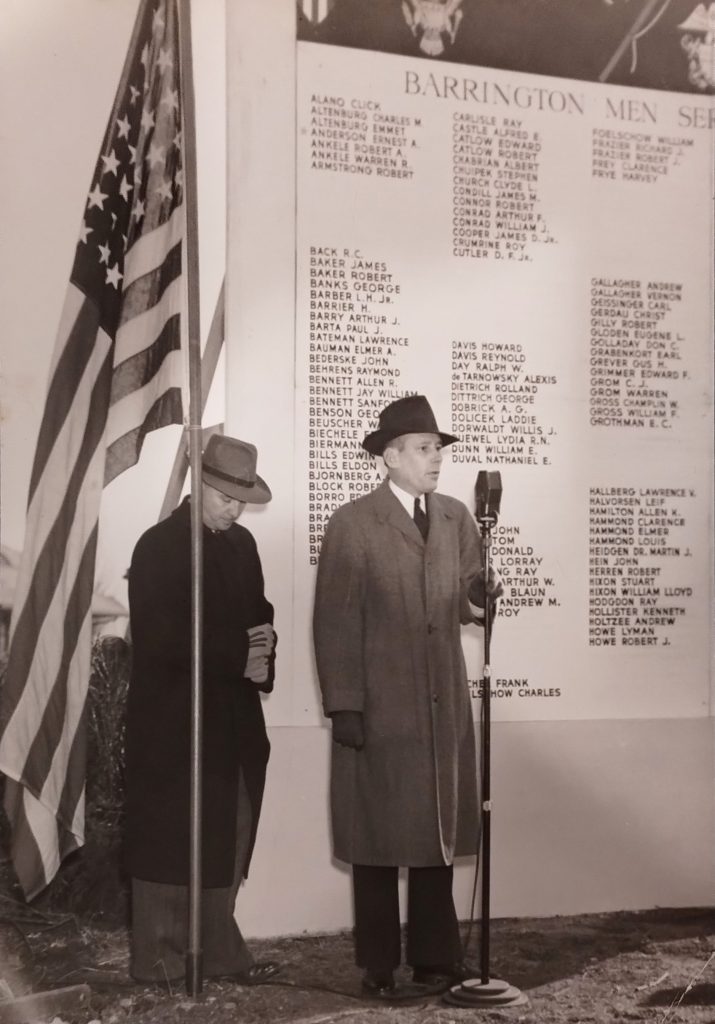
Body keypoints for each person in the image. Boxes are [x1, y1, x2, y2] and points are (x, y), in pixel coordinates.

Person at [312, 394, 502, 1000]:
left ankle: (435, 960)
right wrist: (345, 705)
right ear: (390, 457)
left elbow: (468, 604)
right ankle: (376, 966)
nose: (436, 459)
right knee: (375, 840)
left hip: (440, 705)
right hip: (380, 706)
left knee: (434, 839)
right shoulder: (352, 523)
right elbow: (333, 621)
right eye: (424, 449)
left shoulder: (455, 519)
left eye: (439, 449)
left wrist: (484, 592)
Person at [124, 434, 279, 986]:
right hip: (174, 723)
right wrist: (241, 655)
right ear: (201, 482)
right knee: (173, 839)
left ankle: (218, 955)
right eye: (226, 495)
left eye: (243, 498)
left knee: (227, 834)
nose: (235, 508)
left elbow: (259, 614)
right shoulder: (160, 545)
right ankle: (162, 963)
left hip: (233, 722)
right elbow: (162, 640)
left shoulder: (242, 547)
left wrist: (265, 653)